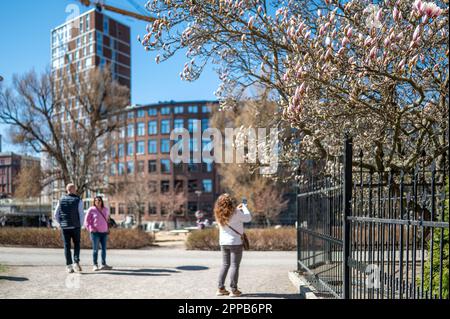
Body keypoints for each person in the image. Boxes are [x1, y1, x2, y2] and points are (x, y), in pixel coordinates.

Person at [214, 193, 252, 297]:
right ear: (230, 202)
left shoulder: (218, 213)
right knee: (235, 265)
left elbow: (229, 216)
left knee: (225, 265)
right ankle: (234, 290)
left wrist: (237, 209)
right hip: (235, 242)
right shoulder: (236, 212)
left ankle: (220, 288)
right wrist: (244, 207)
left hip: (223, 242)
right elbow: (248, 218)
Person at [54, 184, 84, 273]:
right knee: (77, 244)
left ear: (67, 190)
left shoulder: (61, 200)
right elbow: (81, 214)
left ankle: (69, 266)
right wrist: (80, 225)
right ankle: (76, 262)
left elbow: (56, 214)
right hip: (75, 226)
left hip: (65, 227)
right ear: (74, 190)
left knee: (67, 246)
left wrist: (61, 223)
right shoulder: (78, 200)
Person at [84, 196, 113, 271]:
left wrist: (107, 228)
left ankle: (103, 264)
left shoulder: (105, 209)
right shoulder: (91, 209)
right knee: (95, 249)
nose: (97, 201)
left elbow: (107, 220)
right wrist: (91, 229)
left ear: (101, 201)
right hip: (95, 233)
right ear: (94, 201)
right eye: (96, 200)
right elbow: (86, 221)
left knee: (104, 249)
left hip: (104, 232)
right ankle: (95, 265)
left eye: (99, 200)